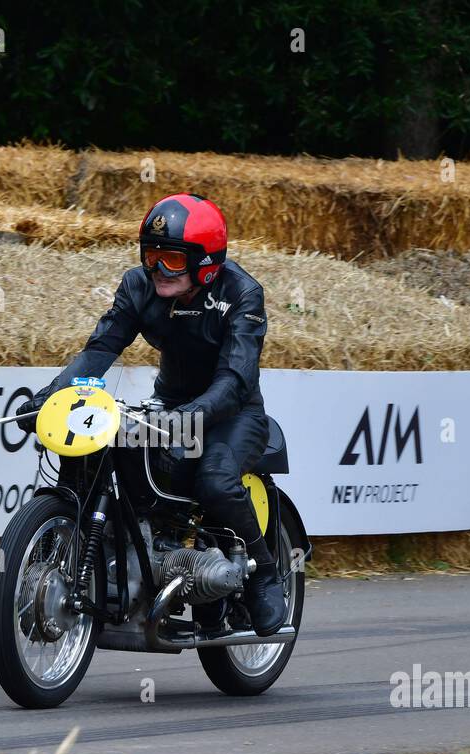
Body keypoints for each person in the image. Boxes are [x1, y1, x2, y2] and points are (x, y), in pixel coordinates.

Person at [17, 193, 286, 636]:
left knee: (215, 481)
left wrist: (194, 415)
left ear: (206, 263)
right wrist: (51, 395)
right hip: (170, 405)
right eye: (152, 255)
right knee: (104, 453)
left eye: (173, 260)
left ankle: (265, 573)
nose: (159, 268)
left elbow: (236, 379)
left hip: (234, 414)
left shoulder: (242, 294)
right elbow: (102, 347)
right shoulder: (138, 286)